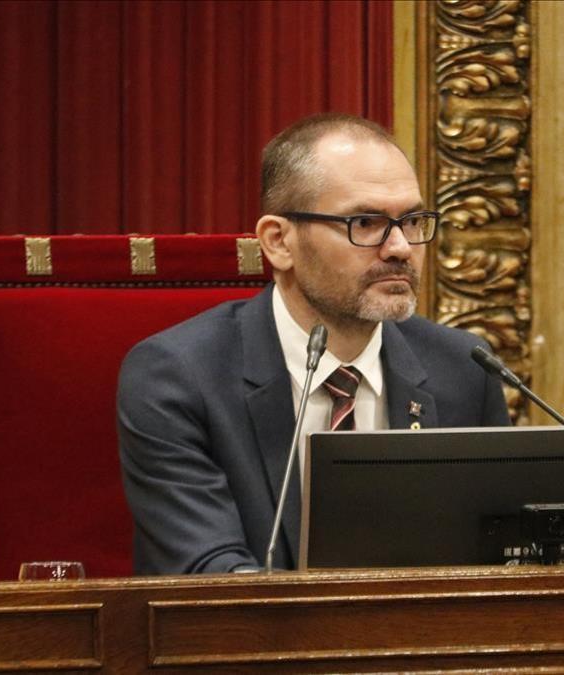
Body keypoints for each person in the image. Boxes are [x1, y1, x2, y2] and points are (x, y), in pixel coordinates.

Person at [117, 113, 511, 575]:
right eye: (366, 222)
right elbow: (210, 576)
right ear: (279, 242)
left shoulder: (464, 368)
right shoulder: (177, 377)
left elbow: (494, 558)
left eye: (413, 220)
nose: (401, 247)